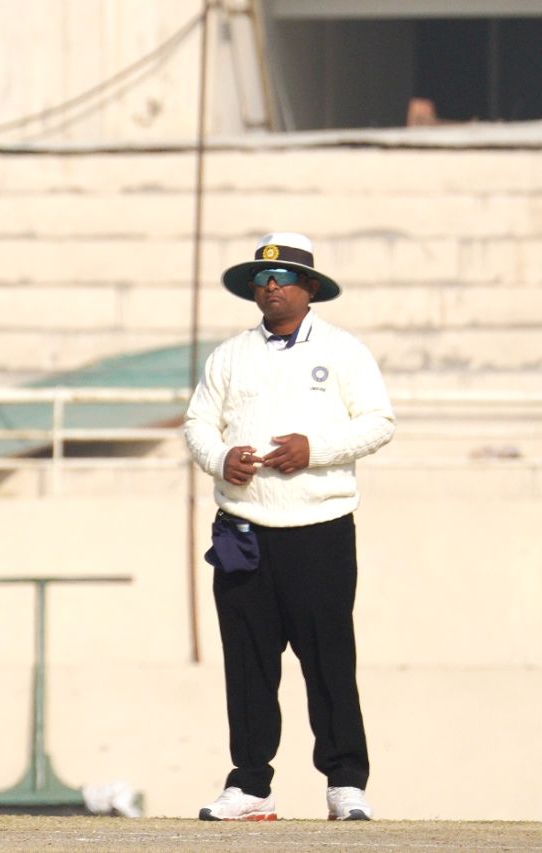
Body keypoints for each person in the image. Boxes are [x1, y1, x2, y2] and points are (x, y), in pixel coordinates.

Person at [183, 232, 395, 822]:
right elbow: (199, 424)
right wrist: (220, 457)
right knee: (247, 659)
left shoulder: (344, 351)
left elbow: (379, 423)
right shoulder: (229, 354)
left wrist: (315, 449)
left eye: (280, 279)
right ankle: (250, 784)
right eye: (260, 279)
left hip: (319, 526)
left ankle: (344, 782)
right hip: (241, 528)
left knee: (328, 656)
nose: (269, 287)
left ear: (309, 289)